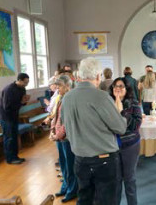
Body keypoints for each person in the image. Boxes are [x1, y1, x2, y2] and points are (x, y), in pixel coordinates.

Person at [61, 57, 127, 205]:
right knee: (108, 200)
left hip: (80, 159)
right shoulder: (101, 97)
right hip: (104, 159)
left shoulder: (67, 98)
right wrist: (120, 113)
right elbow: (121, 128)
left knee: (85, 199)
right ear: (98, 76)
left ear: (79, 76)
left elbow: (65, 124)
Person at [109, 78, 142, 205]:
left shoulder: (133, 103)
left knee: (129, 179)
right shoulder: (108, 103)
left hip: (130, 145)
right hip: (112, 146)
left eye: (121, 86)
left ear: (127, 89)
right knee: (115, 180)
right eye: (115, 86)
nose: (117, 88)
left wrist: (122, 111)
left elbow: (136, 125)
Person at [49, 75, 78, 203]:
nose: (57, 88)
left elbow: (68, 121)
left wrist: (58, 135)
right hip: (59, 137)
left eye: (59, 86)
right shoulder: (60, 97)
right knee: (63, 165)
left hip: (67, 138)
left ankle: (72, 191)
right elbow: (55, 116)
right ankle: (65, 187)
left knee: (70, 166)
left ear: (67, 86)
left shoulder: (71, 99)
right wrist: (52, 130)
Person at [0, 73, 30, 164]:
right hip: (6, 117)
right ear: (19, 80)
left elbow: (21, 102)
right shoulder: (9, 89)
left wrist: (24, 101)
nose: (26, 84)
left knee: (14, 136)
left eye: (27, 82)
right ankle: (10, 159)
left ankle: (15, 156)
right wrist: (21, 102)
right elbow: (7, 107)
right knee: (9, 137)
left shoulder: (22, 88)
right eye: (25, 82)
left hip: (14, 115)